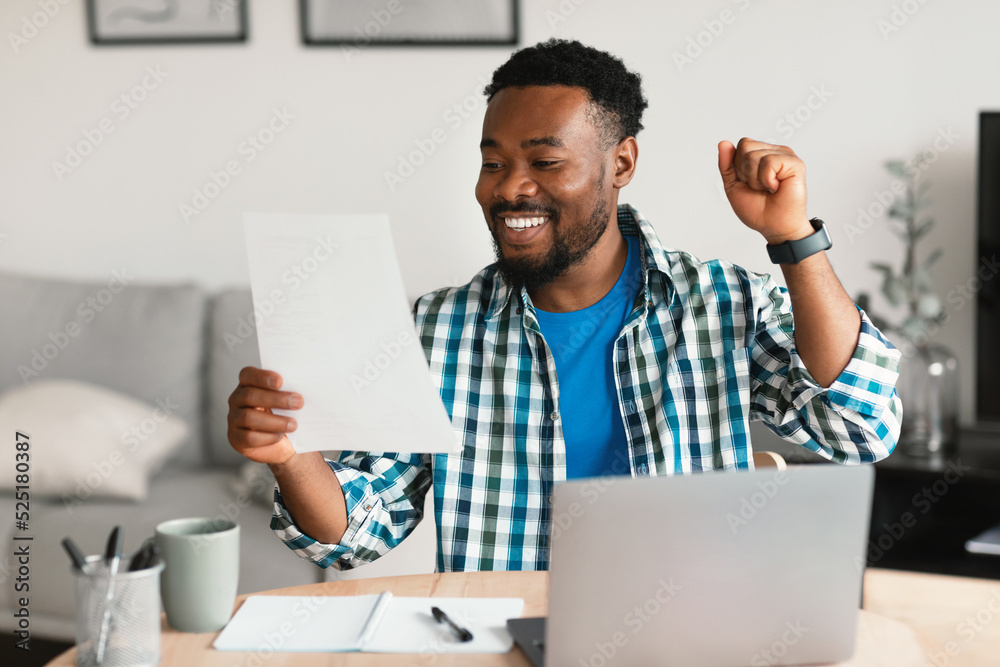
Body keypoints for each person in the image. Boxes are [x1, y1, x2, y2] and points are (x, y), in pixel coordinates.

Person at [227, 40, 901, 573]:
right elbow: (357, 533)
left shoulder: (720, 303)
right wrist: (290, 455)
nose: (510, 188)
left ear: (621, 162)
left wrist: (792, 237)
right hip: (505, 639)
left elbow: (861, 427)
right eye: (492, 163)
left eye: (545, 162)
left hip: (690, 637)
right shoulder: (439, 330)